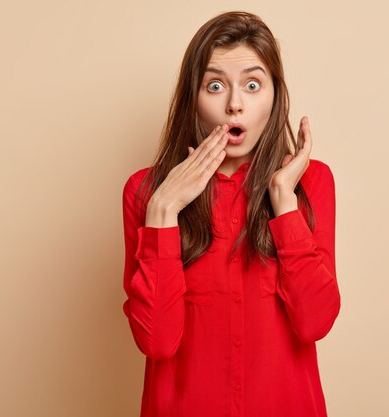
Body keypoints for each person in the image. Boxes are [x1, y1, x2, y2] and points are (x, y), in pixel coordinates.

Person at [121, 11, 341, 417]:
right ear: (194, 96)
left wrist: (283, 199)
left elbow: (315, 323)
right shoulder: (147, 193)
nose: (234, 105)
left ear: (275, 96)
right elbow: (157, 342)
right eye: (216, 85)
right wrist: (164, 212)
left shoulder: (311, 184)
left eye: (253, 85)